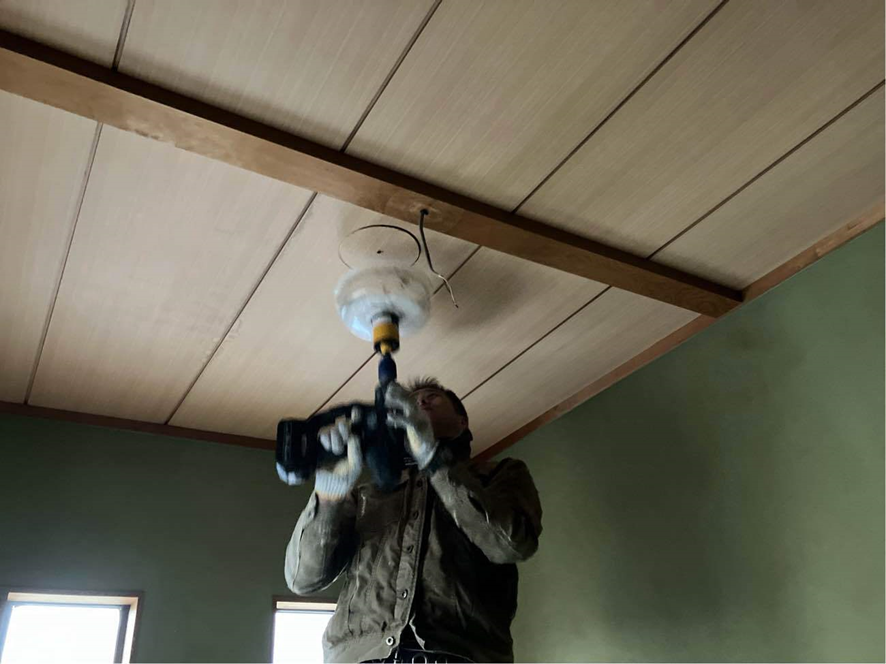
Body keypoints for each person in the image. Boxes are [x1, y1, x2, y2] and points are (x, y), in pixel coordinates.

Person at [283, 378, 542, 663]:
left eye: (433, 397)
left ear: (462, 422)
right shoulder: (365, 495)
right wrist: (328, 496)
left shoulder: (500, 474)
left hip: (458, 655)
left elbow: (510, 545)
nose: (420, 402)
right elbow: (302, 580)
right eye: (412, 400)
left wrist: (433, 458)